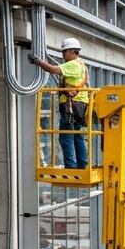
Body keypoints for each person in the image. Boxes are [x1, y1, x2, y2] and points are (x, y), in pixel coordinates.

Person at [29, 38, 89, 169]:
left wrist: (38, 61)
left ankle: (71, 167)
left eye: (64, 52)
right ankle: (82, 166)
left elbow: (53, 69)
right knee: (78, 136)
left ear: (72, 51)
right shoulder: (81, 65)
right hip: (79, 105)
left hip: (71, 106)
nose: (63, 55)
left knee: (66, 136)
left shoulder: (73, 64)